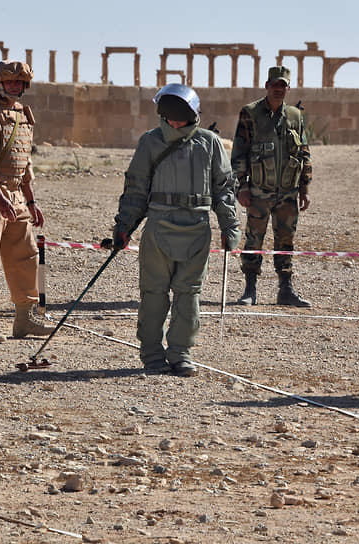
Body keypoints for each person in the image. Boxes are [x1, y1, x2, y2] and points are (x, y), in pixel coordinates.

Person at [112, 83, 241, 377]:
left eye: (180, 117)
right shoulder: (150, 142)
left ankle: (181, 353)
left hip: (197, 228)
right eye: (169, 117)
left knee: (189, 294)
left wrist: (229, 226)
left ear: (193, 114)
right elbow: (135, 188)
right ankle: (152, 354)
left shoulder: (209, 143)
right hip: (159, 227)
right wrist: (123, 227)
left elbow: (224, 189)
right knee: (154, 294)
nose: (175, 123)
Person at [0, 60, 54, 343]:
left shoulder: (22, 113)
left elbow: (25, 163)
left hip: (16, 195)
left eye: (20, 82)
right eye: (10, 82)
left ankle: (24, 318)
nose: (15, 86)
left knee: (26, 256)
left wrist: (31, 202)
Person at [231, 66, 313, 307]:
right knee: (254, 239)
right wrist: (241, 186)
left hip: (288, 191)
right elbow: (239, 152)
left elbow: (304, 153)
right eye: (275, 85)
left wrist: (304, 188)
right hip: (258, 191)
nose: (279, 89)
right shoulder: (250, 113)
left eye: (283, 86)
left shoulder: (295, 116)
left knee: (286, 239)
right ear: (267, 86)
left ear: (288, 88)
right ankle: (249, 289)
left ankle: (285, 290)